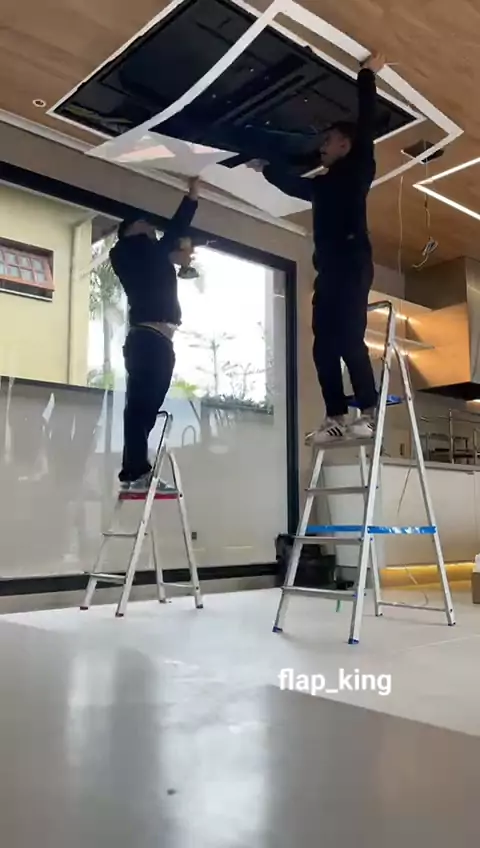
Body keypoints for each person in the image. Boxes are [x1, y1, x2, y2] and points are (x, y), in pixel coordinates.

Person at [250, 52, 385, 443]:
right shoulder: (322, 185)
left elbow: (366, 122)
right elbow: (294, 184)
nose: (322, 146)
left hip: (353, 263)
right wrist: (267, 168)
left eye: (328, 140)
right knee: (323, 346)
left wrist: (367, 76)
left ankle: (370, 411)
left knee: (348, 339)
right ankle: (336, 416)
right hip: (328, 271)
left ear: (345, 143)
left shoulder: (359, 166)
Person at [110, 177, 199, 490]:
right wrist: (191, 198)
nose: (151, 228)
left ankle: (135, 470)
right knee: (140, 408)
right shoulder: (126, 251)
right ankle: (134, 471)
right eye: (145, 224)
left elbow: (167, 244)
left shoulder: (150, 256)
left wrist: (174, 257)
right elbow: (172, 233)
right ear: (131, 230)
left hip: (158, 342)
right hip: (146, 341)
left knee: (145, 408)